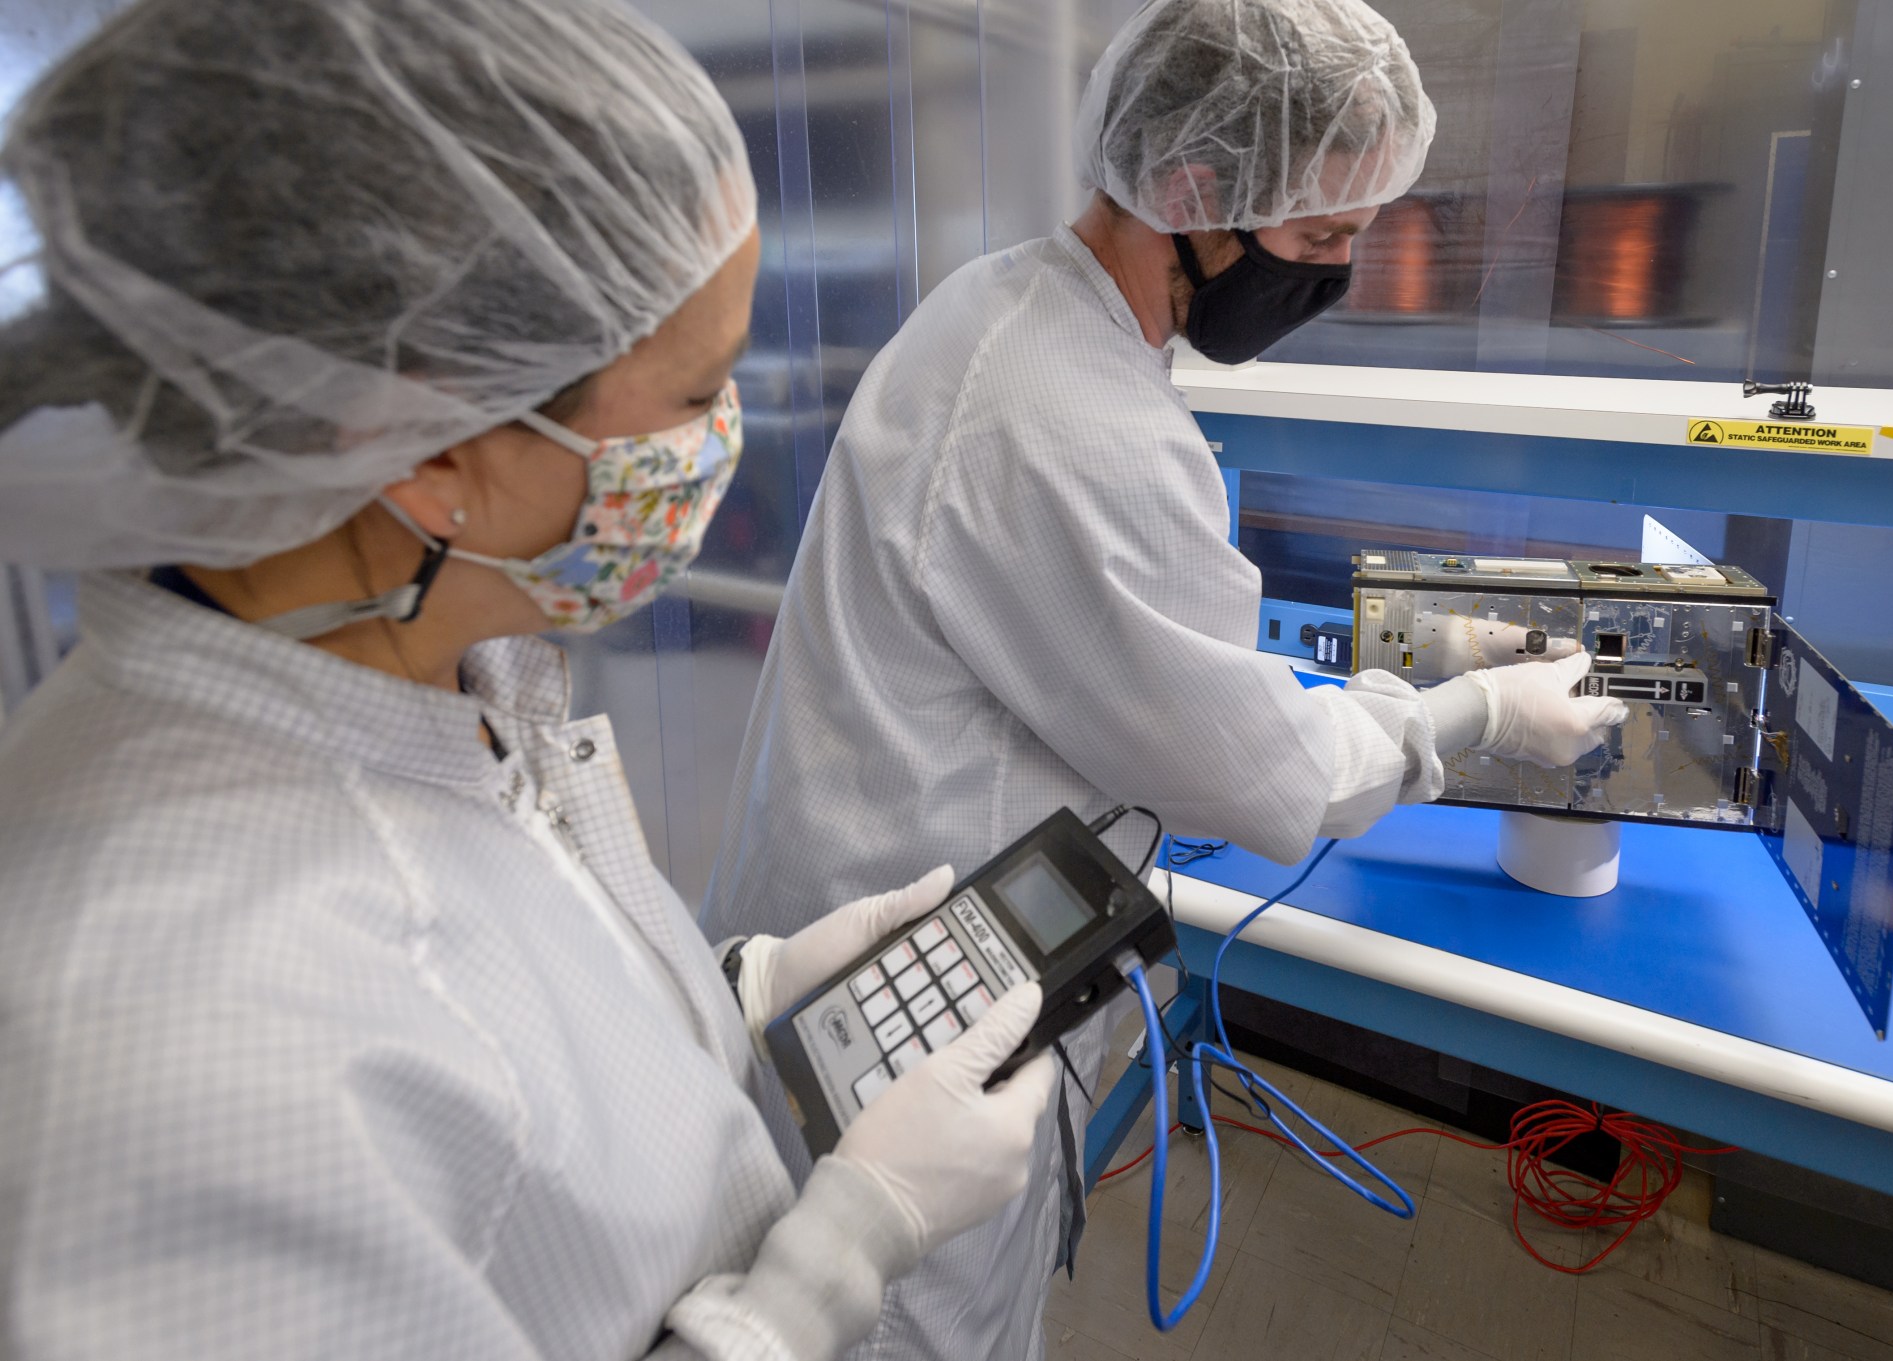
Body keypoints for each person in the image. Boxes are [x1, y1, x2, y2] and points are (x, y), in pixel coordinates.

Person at [0, 1, 1057, 1357]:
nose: (726, 438)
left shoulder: (416, 658)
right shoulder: (180, 1056)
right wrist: (840, 1255)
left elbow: (505, 1093)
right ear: (420, 445)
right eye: (694, 391)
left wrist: (738, 991)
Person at [698, 0, 1629, 1354]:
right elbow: (1260, 778)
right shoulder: (1079, 424)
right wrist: (1473, 712)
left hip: (884, 923)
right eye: (1319, 238)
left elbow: (1124, 647)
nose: (1337, 273)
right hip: (915, 1011)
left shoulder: (1012, 302)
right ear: (1194, 192)